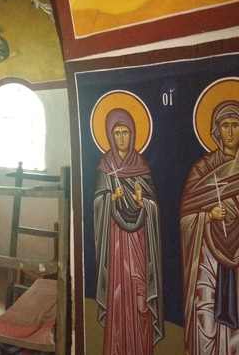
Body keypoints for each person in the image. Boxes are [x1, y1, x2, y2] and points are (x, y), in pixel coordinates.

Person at [92, 107, 163, 353]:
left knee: (139, 291)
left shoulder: (141, 165)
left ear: (132, 134)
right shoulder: (105, 166)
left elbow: (153, 206)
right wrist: (111, 198)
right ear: (110, 136)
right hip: (115, 241)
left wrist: (143, 201)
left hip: (138, 241)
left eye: (125, 132)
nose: (121, 138)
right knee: (118, 292)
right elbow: (97, 203)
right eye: (117, 133)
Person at [180, 100, 239, 353]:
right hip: (208, 258)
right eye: (225, 126)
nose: (230, 132)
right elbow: (186, 217)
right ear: (216, 131)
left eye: (235, 125)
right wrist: (207, 215)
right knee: (206, 319)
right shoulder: (203, 169)